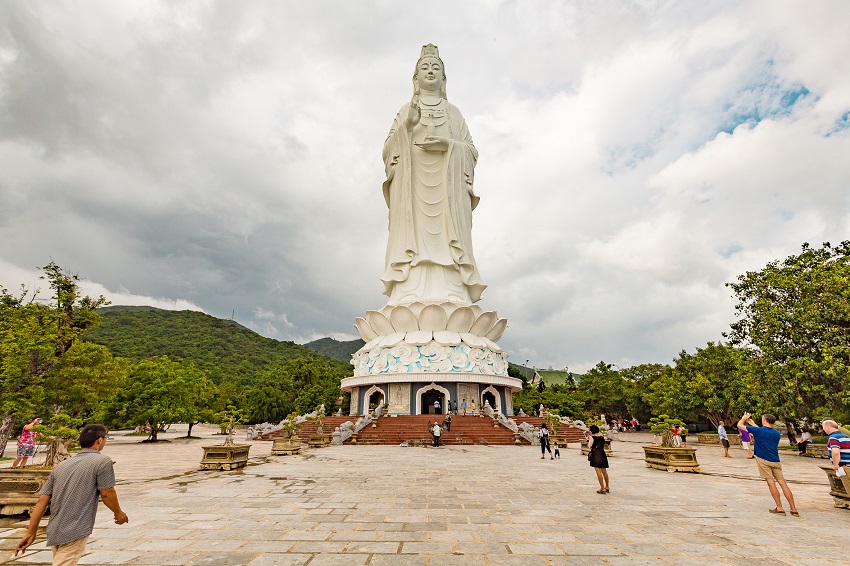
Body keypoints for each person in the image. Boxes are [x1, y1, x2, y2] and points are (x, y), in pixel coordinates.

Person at [380, 43, 485, 305]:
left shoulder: (453, 113)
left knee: (448, 240)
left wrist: (448, 146)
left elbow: (471, 151)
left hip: (446, 191)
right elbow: (387, 151)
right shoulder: (406, 110)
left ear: (443, 77)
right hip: (412, 188)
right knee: (411, 236)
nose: (430, 71)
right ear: (415, 78)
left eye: (435, 67)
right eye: (424, 67)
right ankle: (408, 291)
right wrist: (408, 126)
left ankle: (453, 291)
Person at [15, 424, 128, 564]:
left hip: (55, 528)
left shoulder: (62, 465)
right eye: (106, 438)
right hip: (75, 528)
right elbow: (107, 493)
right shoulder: (102, 461)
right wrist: (119, 514)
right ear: (99, 440)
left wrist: (31, 532)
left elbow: (42, 500)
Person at [738, 412, 799, 516]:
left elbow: (739, 425)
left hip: (763, 460)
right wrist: (751, 422)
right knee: (783, 483)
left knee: (771, 483)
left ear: (764, 420)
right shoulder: (776, 433)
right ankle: (793, 509)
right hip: (775, 460)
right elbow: (761, 430)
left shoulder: (759, 431)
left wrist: (744, 418)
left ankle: (780, 508)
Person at [822, 419, 850, 493]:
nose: (823, 429)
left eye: (823, 427)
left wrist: (836, 465)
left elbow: (836, 452)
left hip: (845, 468)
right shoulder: (846, 436)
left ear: (828, 426)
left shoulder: (833, 438)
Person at [586, 425, 609, 493]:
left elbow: (589, 446)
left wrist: (588, 438)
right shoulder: (602, 437)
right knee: (604, 472)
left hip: (595, 455)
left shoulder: (592, 438)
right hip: (602, 454)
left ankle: (602, 488)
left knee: (598, 472)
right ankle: (607, 486)